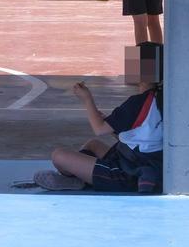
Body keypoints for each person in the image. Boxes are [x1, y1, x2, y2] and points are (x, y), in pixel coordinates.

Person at [34, 41, 163, 193]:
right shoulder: (157, 98)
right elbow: (139, 136)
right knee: (93, 145)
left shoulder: (137, 103)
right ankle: (82, 176)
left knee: (59, 156)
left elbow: (99, 129)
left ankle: (80, 180)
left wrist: (86, 98)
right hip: (138, 161)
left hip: (126, 173)